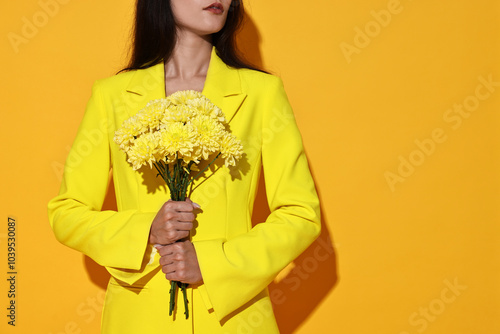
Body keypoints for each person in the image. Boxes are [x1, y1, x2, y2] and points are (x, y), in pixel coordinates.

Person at [48, 0, 321, 333]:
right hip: (138, 319)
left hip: (234, 319)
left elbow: (300, 215)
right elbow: (67, 212)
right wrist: (146, 231)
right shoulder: (112, 96)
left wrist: (213, 264)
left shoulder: (262, 93)